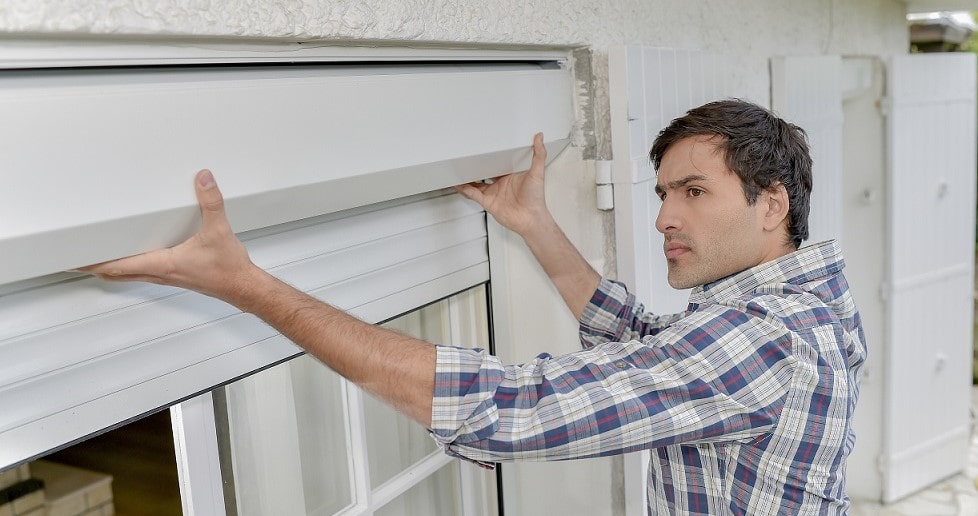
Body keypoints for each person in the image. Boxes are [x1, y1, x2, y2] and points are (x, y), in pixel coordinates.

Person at [84, 99, 866, 515]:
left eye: (694, 192)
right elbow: (645, 341)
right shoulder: (800, 306)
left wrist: (248, 286)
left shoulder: (768, 341)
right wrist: (534, 224)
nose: (664, 216)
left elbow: (508, 409)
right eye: (663, 193)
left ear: (772, 204)